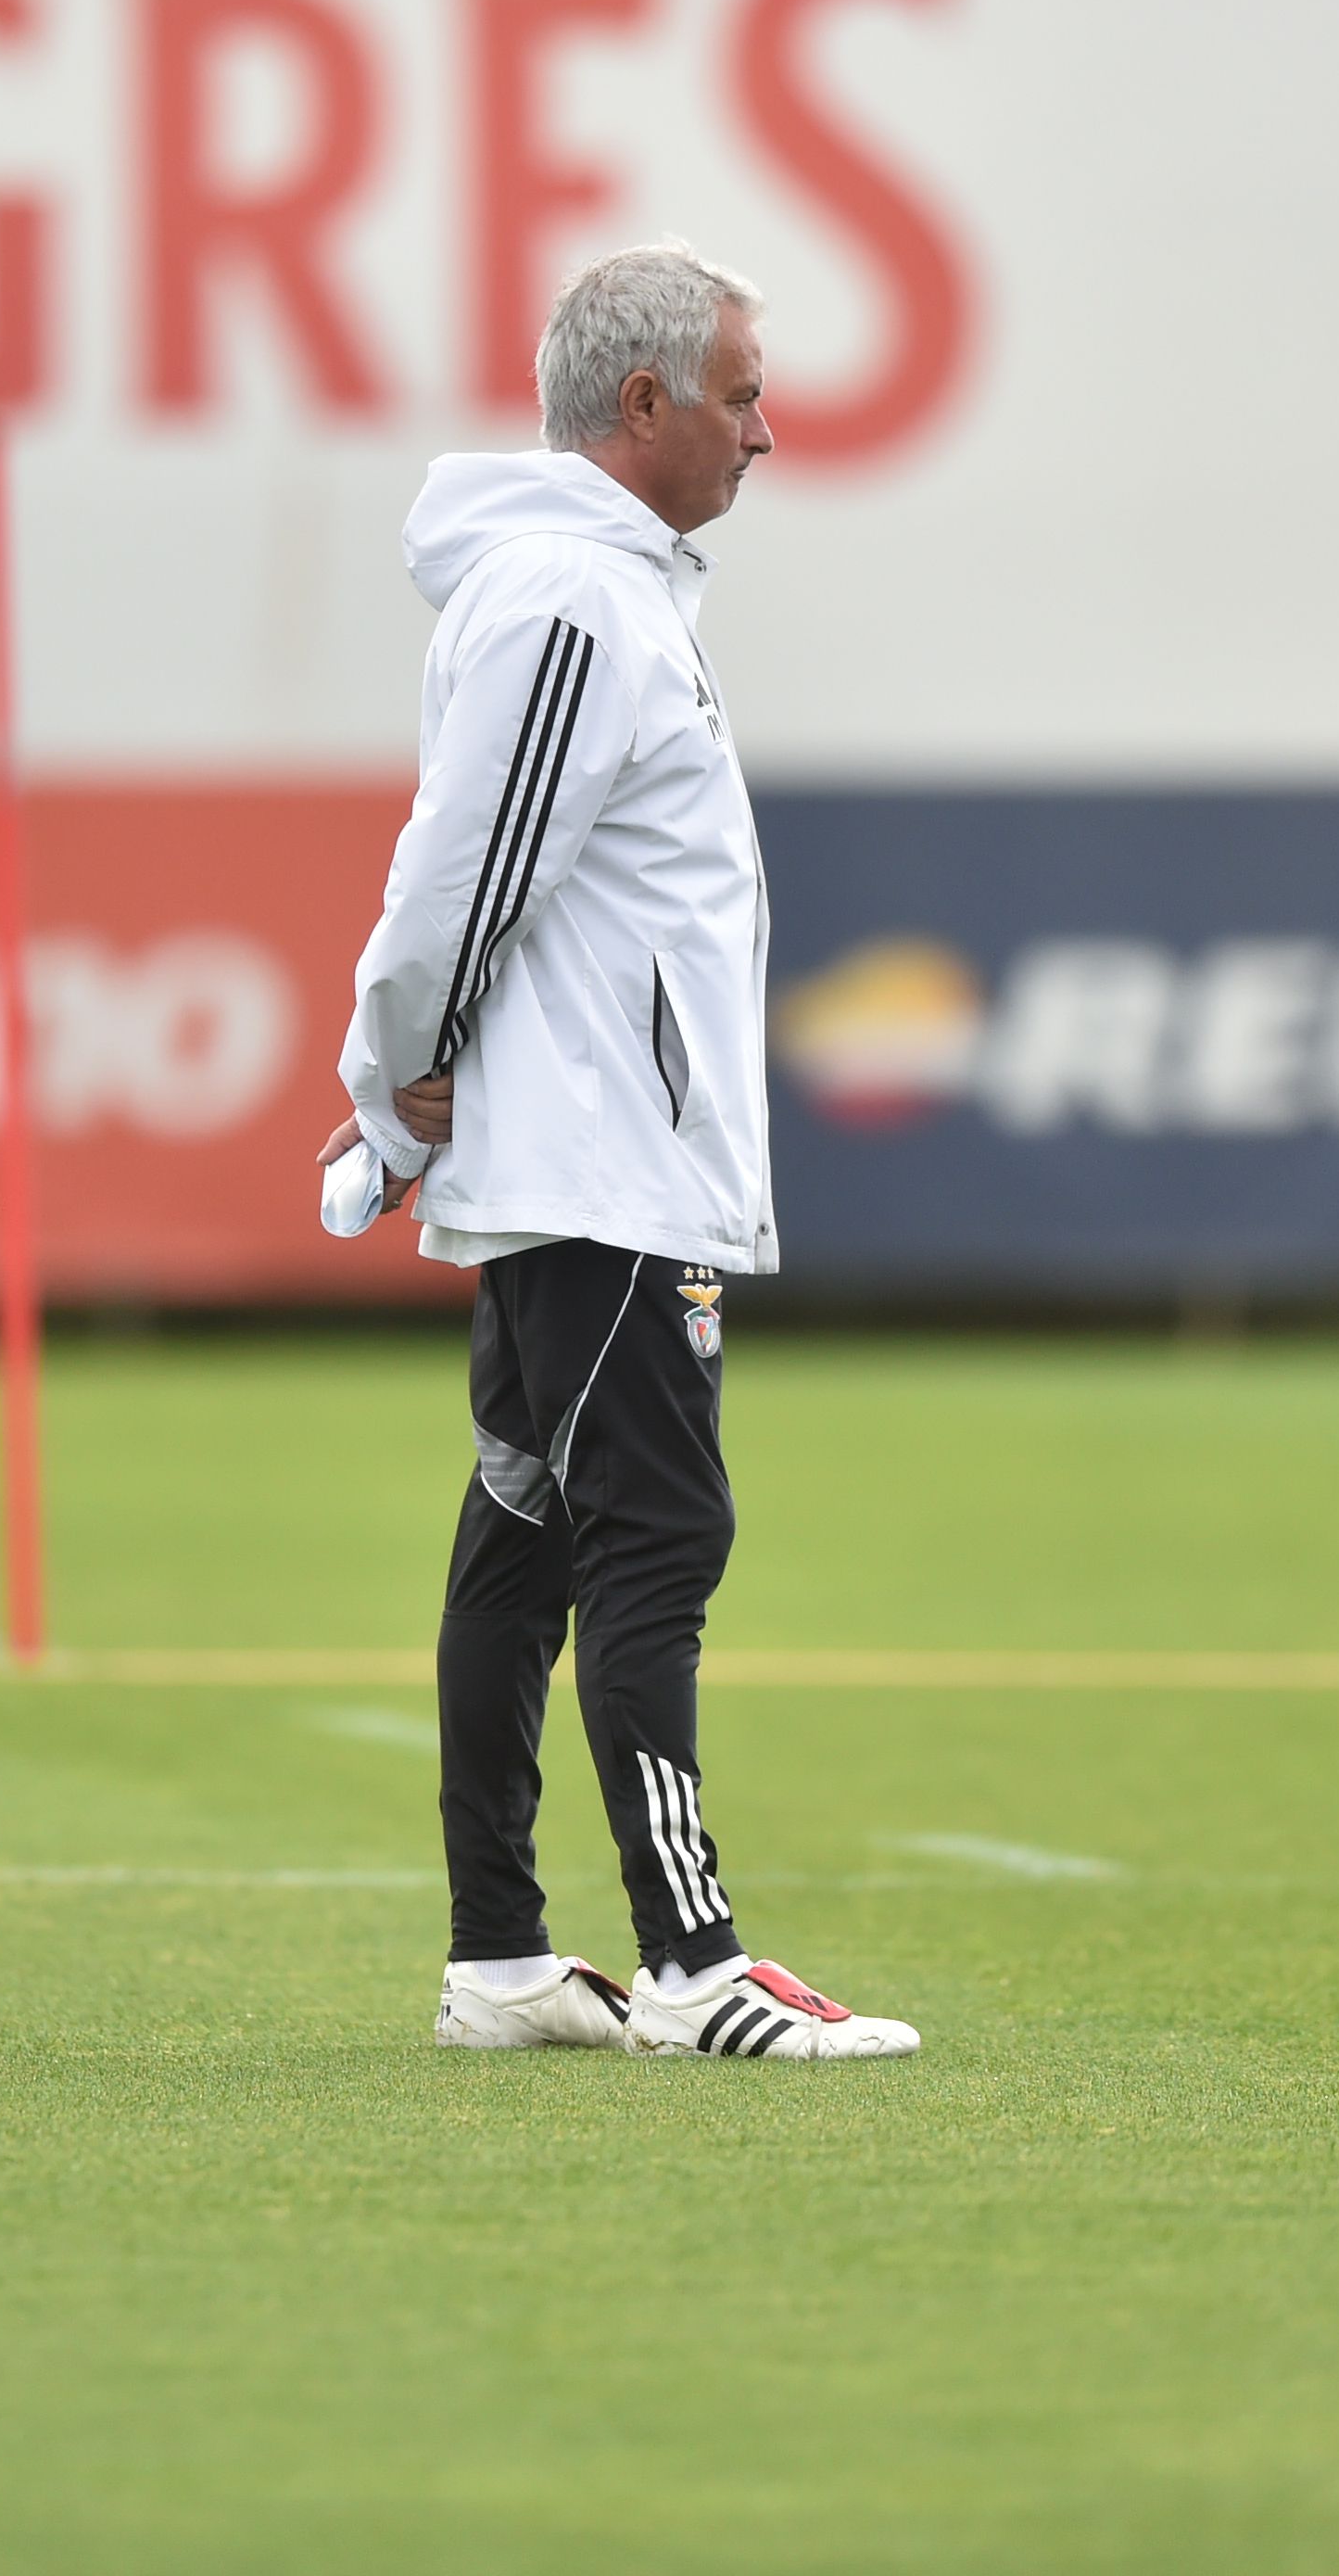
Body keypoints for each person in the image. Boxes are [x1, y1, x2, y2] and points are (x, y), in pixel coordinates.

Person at [321, 240, 916, 2063]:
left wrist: (414, 1084)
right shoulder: (577, 605)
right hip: (596, 1163)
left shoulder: (597, 594)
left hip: (587, 1149)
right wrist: (393, 1067)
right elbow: (469, 873)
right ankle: (690, 1958)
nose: (768, 426)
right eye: (741, 391)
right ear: (643, 403)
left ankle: (501, 1957)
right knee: (658, 1524)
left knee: (522, 1532)